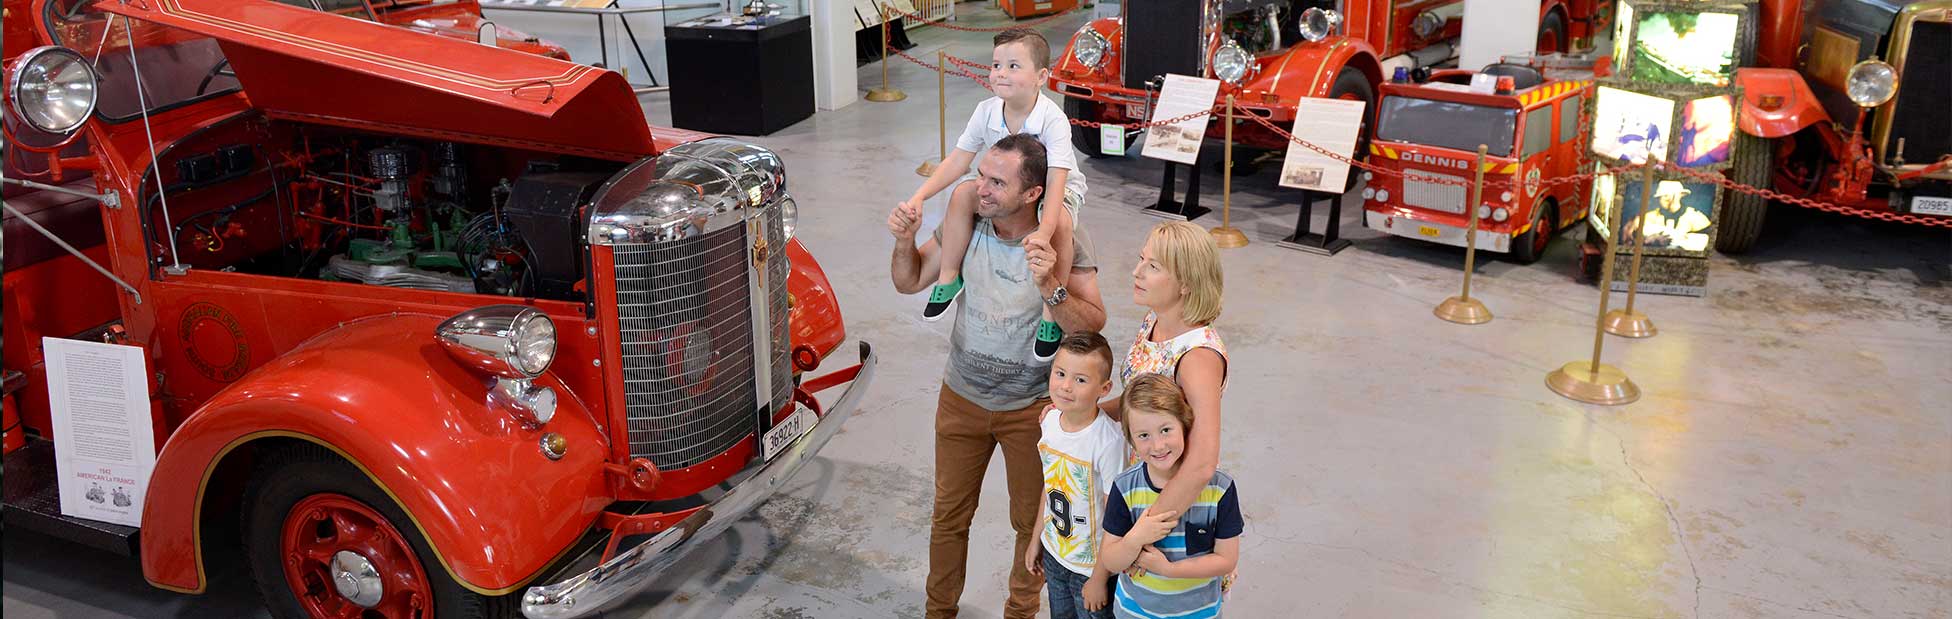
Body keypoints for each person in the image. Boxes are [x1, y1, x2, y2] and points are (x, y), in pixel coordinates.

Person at [889, 134, 1108, 619]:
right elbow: (908, 280)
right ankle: (938, 612)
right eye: (981, 175)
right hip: (961, 398)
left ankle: (1019, 612)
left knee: (1031, 522)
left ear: (1033, 195)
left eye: (996, 182)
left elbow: (1091, 325)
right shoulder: (967, 217)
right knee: (948, 516)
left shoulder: (1064, 237)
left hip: (1031, 409)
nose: (980, 188)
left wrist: (1050, 284)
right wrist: (905, 240)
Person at [897, 28, 1087, 361]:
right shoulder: (986, 110)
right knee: (962, 195)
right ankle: (949, 276)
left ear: (1041, 76)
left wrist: (1045, 230)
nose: (1001, 73)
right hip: (1003, 183)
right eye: (996, 64)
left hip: (1054, 186)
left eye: (1014, 66)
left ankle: (1049, 313)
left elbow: (1057, 179)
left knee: (1063, 227)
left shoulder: (1053, 120)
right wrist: (920, 195)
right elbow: (958, 160)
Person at [1102, 222, 1227, 536]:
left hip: (1166, 501)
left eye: (1152, 266)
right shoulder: (1153, 320)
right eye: (1141, 259)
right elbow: (1138, 398)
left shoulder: (1198, 357)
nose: (1136, 271)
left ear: (1186, 283)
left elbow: (1201, 464)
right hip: (1136, 479)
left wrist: (1140, 532)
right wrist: (1085, 415)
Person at [1095, 373, 1243, 619]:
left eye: (1165, 430)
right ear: (1130, 439)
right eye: (1144, 435)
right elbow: (1111, 560)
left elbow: (1226, 559)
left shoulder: (1220, 488)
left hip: (1199, 613)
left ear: (1184, 424)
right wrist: (1136, 538)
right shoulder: (1125, 487)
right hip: (1134, 612)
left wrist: (1169, 569)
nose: (1158, 445)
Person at [1023, 331, 1127, 619]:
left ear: (1104, 388)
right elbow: (1050, 485)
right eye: (1060, 374)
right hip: (1056, 556)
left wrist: (1098, 577)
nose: (1066, 387)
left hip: (1091, 568)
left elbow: (1115, 516)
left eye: (1081, 380)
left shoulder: (1107, 442)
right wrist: (1037, 540)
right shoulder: (1050, 422)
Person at [1633, 180, 1711, 251]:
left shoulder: (1696, 217)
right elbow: (1631, 241)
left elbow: (1706, 244)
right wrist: (1650, 240)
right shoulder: (1648, 217)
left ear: (1681, 195)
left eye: (1671, 195)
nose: (1668, 199)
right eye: (1664, 196)